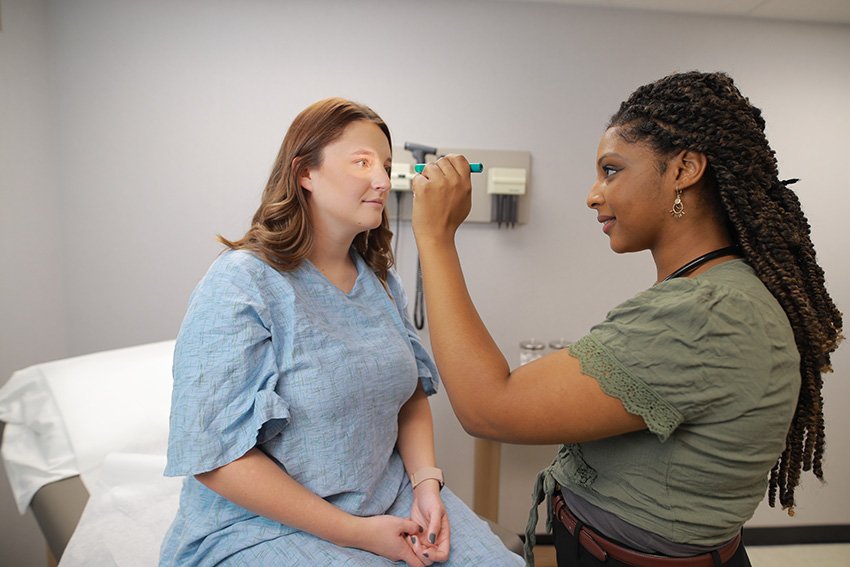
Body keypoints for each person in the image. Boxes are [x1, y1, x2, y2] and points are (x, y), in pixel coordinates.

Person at [409, 72, 842, 567]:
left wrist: (436, 237)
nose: (594, 195)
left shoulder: (704, 312)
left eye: (611, 171)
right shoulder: (717, 292)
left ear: (684, 169)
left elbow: (487, 409)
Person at [160, 97, 525, 567]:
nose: (382, 179)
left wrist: (426, 485)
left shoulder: (379, 280)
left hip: (389, 500)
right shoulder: (241, 283)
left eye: (387, 166)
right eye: (361, 162)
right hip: (258, 527)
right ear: (304, 174)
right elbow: (217, 459)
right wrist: (358, 534)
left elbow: (409, 395)